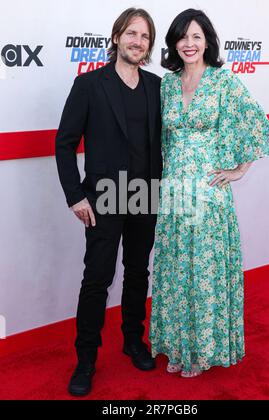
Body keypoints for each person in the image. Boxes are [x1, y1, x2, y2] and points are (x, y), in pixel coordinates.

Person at [150, 9, 269, 378]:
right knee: (177, 269)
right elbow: (163, 140)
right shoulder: (166, 84)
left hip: (209, 195)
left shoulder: (224, 82)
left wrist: (239, 170)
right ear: (174, 43)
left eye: (196, 36)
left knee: (203, 272)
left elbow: (257, 123)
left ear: (207, 40)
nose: (189, 44)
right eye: (182, 37)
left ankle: (203, 350)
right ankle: (178, 346)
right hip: (175, 194)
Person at [56, 8, 162, 396]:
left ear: (149, 45)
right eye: (131, 33)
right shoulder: (89, 85)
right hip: (103, 198)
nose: (138, 41)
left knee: (138, 273)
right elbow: (64, 143)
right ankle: (85, 360)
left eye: (145, 36)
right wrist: (75, 195)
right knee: (97, 279)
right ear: (117, 37)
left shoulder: (156, 86)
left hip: (146, 195)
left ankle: (134, 340)